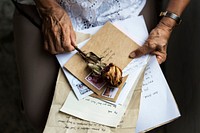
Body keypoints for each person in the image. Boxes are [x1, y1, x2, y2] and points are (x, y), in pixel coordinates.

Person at [13, 0, 190, 132]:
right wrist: (49, 9)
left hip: (128, 10)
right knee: (41, 114)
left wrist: (167, 24)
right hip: (50, 9)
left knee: (136, 119)